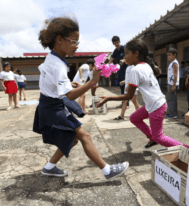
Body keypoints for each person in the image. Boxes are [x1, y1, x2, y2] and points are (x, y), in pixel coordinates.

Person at [34, 17, 129, 179]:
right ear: (59, 40)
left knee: (72, 140)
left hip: (47, 104)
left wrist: (68, 84)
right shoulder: (58, 65)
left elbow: (49, 79)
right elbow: (70, 96)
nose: (77, 46)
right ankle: (107, 171)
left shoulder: (51, 58)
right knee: (84, 135)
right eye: (73, 41)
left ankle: (49, 167)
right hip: (53, 107)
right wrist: (93, 82)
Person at [97, 39, 189, 149]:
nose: (124, 57)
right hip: (155, 103)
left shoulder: (135, 70)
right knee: (134, 118)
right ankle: (152, 138)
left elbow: (128, 96)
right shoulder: (145, 65)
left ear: (136, 54)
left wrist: (108, 98)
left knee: (159, 137)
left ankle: (186, 149)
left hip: (156, 106)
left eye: (127, 53)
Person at [110, 36, 129, 108]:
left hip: (126, 70)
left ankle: (126, 103)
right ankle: (123, 102)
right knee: (121, 86)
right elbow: (112, 58)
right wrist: (108, 65)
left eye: (117, 42)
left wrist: (124, 60)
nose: (116, 44)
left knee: (126, 87)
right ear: (113, 43)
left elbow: (128, 56)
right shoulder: (115, 50)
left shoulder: (124, 48)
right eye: (115, 43)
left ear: (119, 41)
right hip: (120, 71)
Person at [165, 48, 179, 119]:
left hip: (172, 84)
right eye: (168, 55)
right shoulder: (172, 63)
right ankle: (170, 112)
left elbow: (175, 74)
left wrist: (174, 85)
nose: (168, 57)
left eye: (170, 55)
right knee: (169, 98)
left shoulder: (174, 63)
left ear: (174, 55)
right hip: (170, 83)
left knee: (172, 99)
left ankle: (173, 114)